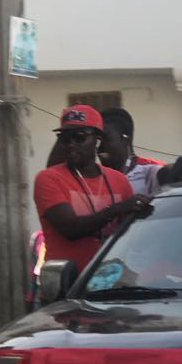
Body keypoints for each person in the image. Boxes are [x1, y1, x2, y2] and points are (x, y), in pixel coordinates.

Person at [33, 105, 150, 272]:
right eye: (65, 138)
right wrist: (115, 210)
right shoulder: (48, 179)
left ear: (98, 140)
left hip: (111, 283)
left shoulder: (118, 180)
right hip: (67, 286)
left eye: (79, 137)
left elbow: (131, 239)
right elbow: (70, 229)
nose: (71, 144)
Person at [99, 107, 182, 195]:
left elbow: (177, 170)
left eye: (106, 138)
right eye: (97, 140)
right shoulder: (89, 178)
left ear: (126, 138)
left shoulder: (148, 173)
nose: (100, 146)